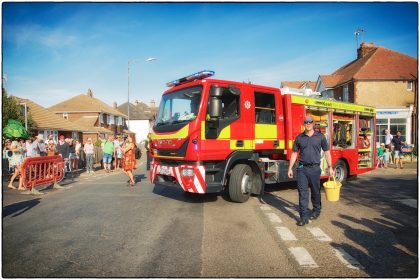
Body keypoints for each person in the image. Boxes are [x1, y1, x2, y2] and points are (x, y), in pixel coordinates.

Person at [287, 116, 334, 226]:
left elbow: (327, 152)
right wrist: (290, 168)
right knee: (302, 193)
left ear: (313, 123)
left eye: (310, 122)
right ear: (304, 124)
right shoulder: (299, 138)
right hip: (302, 168)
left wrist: (330, 167)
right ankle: (303, 217)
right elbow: (294, 153)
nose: (308, 124)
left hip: (315, 168)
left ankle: (316, 210)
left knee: (315, 191)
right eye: (306, 122)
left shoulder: (320, 137)